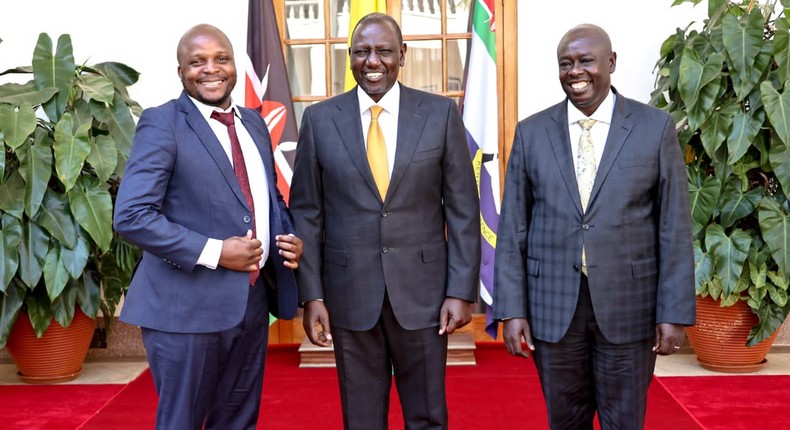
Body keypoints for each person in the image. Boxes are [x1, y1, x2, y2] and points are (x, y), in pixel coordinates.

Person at [493, 24, 695, 429]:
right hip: (553, 308)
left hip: (629, 306)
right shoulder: (532, 133)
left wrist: (673, 311)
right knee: (565, 421)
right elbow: (514, 226)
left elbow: (674, 227)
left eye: (586, 61)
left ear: (611, 63)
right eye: (565, 63)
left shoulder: (654, 128)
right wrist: (511, 309)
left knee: (624, 422)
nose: (575, 71)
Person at [289, 13, 481, 430]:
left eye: (383, 51)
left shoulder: (439, 114)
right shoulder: (321, 121)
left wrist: (461, 290)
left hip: (425, 297)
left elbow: (463, 209)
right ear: (350, 57)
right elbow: (306, 213)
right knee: (360, 419)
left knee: (428, 416)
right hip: (349, 296)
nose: (371, 61)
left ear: (403, 55)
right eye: (361, 52)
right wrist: (313, 295)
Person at [113, 24, 302, 430]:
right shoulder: (162, 123)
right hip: (185, 311)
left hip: (249, 305)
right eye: (197, 62)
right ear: (181, 72)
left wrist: (287, 238)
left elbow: (267, 198)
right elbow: (131, 215)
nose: (211, 69)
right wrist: (216, 252)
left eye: (221, 59)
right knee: (182, 421)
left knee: (238, 420)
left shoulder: (253, 123)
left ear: (234, 65)